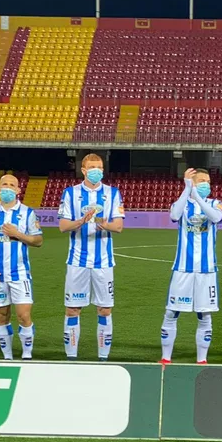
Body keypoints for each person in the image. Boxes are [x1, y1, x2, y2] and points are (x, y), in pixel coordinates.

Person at [58, 153, 124, 361]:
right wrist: (81, 221)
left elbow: (118, 227)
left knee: (104, 310)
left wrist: (104, 224)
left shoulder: (113, 193)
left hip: (103, 262)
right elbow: (63, 226)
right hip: (77, 261)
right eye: (92, 167)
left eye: (100, 167)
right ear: (84, 170)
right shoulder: (70, 193)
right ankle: (71, 358)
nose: (97, 171)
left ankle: (103, 358)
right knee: (72, 309)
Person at [160, 168, 222, 365]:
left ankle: (201, 360)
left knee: (204, 314)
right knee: (171, 312)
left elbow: (216, 218)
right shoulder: (182, 204)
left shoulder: (215, 203)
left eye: (208, 181)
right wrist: (187, 190)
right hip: (183, 268)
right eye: (202, 180)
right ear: (193, 183)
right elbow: (174, 215)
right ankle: (165, 358)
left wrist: (197, 195)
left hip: (207, 270)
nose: (207, 184)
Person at [0, 174, 43, 360]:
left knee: (24, 316)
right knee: (2, 317)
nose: (7, 188)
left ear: (18, 190)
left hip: (20, 274)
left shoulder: (27, 213)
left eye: (11, 185)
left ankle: (27, 355)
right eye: (4, 184)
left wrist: (18, 234)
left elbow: (38, 241)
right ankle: (7, 357)